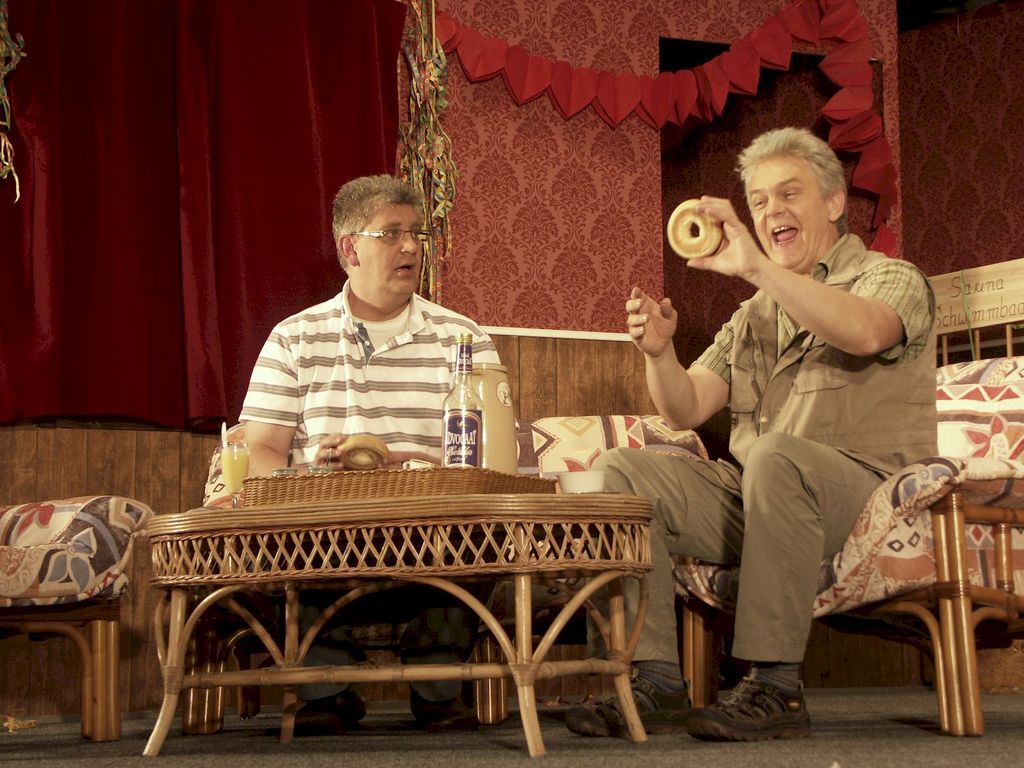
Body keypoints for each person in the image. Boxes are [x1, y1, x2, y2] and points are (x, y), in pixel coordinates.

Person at [564, 126, 936, 742]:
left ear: (834, 202)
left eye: (789, 194)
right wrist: (659, 353)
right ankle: (652, 680)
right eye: (759, 202)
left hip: (871, 498)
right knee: (621, 473)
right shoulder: (754, 315)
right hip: (766, 492)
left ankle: (775, 684)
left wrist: (758, 269)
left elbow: (867, 332)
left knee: (775, 455)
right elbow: (686, 408)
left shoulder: (890, 277)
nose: (770, 212)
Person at [240, 174, 501, 733]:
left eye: (417, 234)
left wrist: (407, 466)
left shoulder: (463, 337)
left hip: (432, 530)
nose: (411, 247)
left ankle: (438, 684)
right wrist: (307, 473)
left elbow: (489, 457)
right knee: (278, 534)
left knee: (478, 527)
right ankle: (325, 688)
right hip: (325, 531)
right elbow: (259, 450)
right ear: (350, 248)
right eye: (391, 234)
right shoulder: (294, 337)